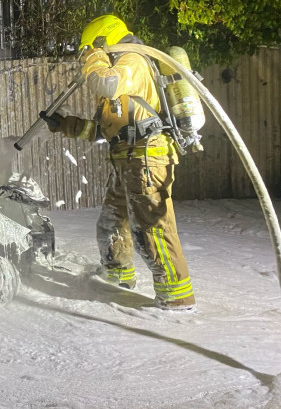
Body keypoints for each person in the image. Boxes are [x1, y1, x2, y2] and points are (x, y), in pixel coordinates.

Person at [44, 15, 196, 311]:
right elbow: (106, 131)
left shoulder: (133, 60)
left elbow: (107, 83)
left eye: (91, 47)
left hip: (145, 161)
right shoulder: (120, 67)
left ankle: (177, 296)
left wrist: (93, 57)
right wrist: (66, 125)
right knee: (112, 223)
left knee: (151, 228)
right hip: (126, 159)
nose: (86, 55)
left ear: (103, 41)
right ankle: (117, 276)